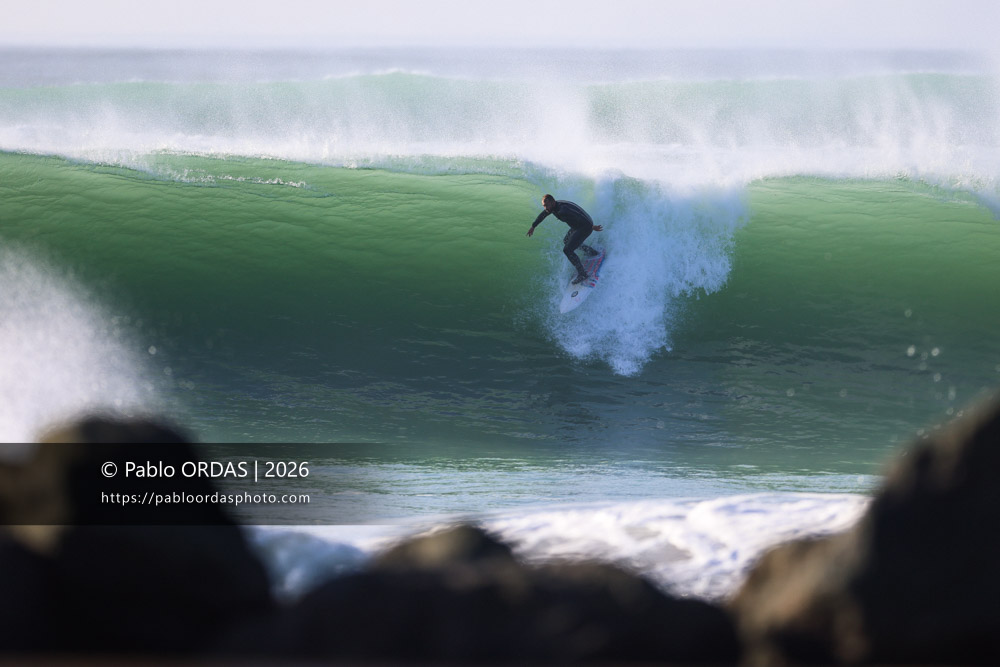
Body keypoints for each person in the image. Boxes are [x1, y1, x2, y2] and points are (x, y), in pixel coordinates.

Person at [526, 194, 604, 284]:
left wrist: (591, 227)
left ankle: (582, 274)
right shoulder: (553, 207)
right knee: (566, 241)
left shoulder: (563, 210)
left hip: (585, 226)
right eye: (544, 206)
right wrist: (533, 226)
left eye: (546, 205)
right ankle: (591, 252)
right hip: (577, 226)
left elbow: (578, 216)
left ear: (552, 202)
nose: (545, 208)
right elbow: (543, 214)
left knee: (567, 250)